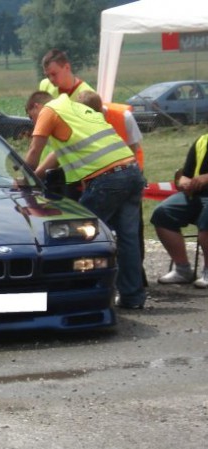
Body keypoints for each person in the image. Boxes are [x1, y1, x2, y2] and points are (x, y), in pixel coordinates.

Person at [24, 91, 146, 309]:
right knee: (128, 240)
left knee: (75, 236)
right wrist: (38, 175)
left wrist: (24, 179)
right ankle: (132, 298)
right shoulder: (78, 109)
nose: (34, 123)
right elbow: (57, 154)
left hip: (107, 179)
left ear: (35, 107)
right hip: (132, 171)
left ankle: (76, 296)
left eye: (31, 118)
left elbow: (35, 151)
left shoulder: (48, 111)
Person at [78, 91, 148, 287]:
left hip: (115, 178)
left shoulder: (123, 116)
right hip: (129, 176)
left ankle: (90, 286)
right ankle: (132, 294)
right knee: (128, 237)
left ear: (101, 110)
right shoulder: (89, 119)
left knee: (82, 229)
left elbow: (134, 148)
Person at [150, 133, 208, 288]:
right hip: (195, 196)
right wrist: (184, 183)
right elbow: (185, 175)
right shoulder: (202, 141)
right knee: (162, 213)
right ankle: (183, 270)